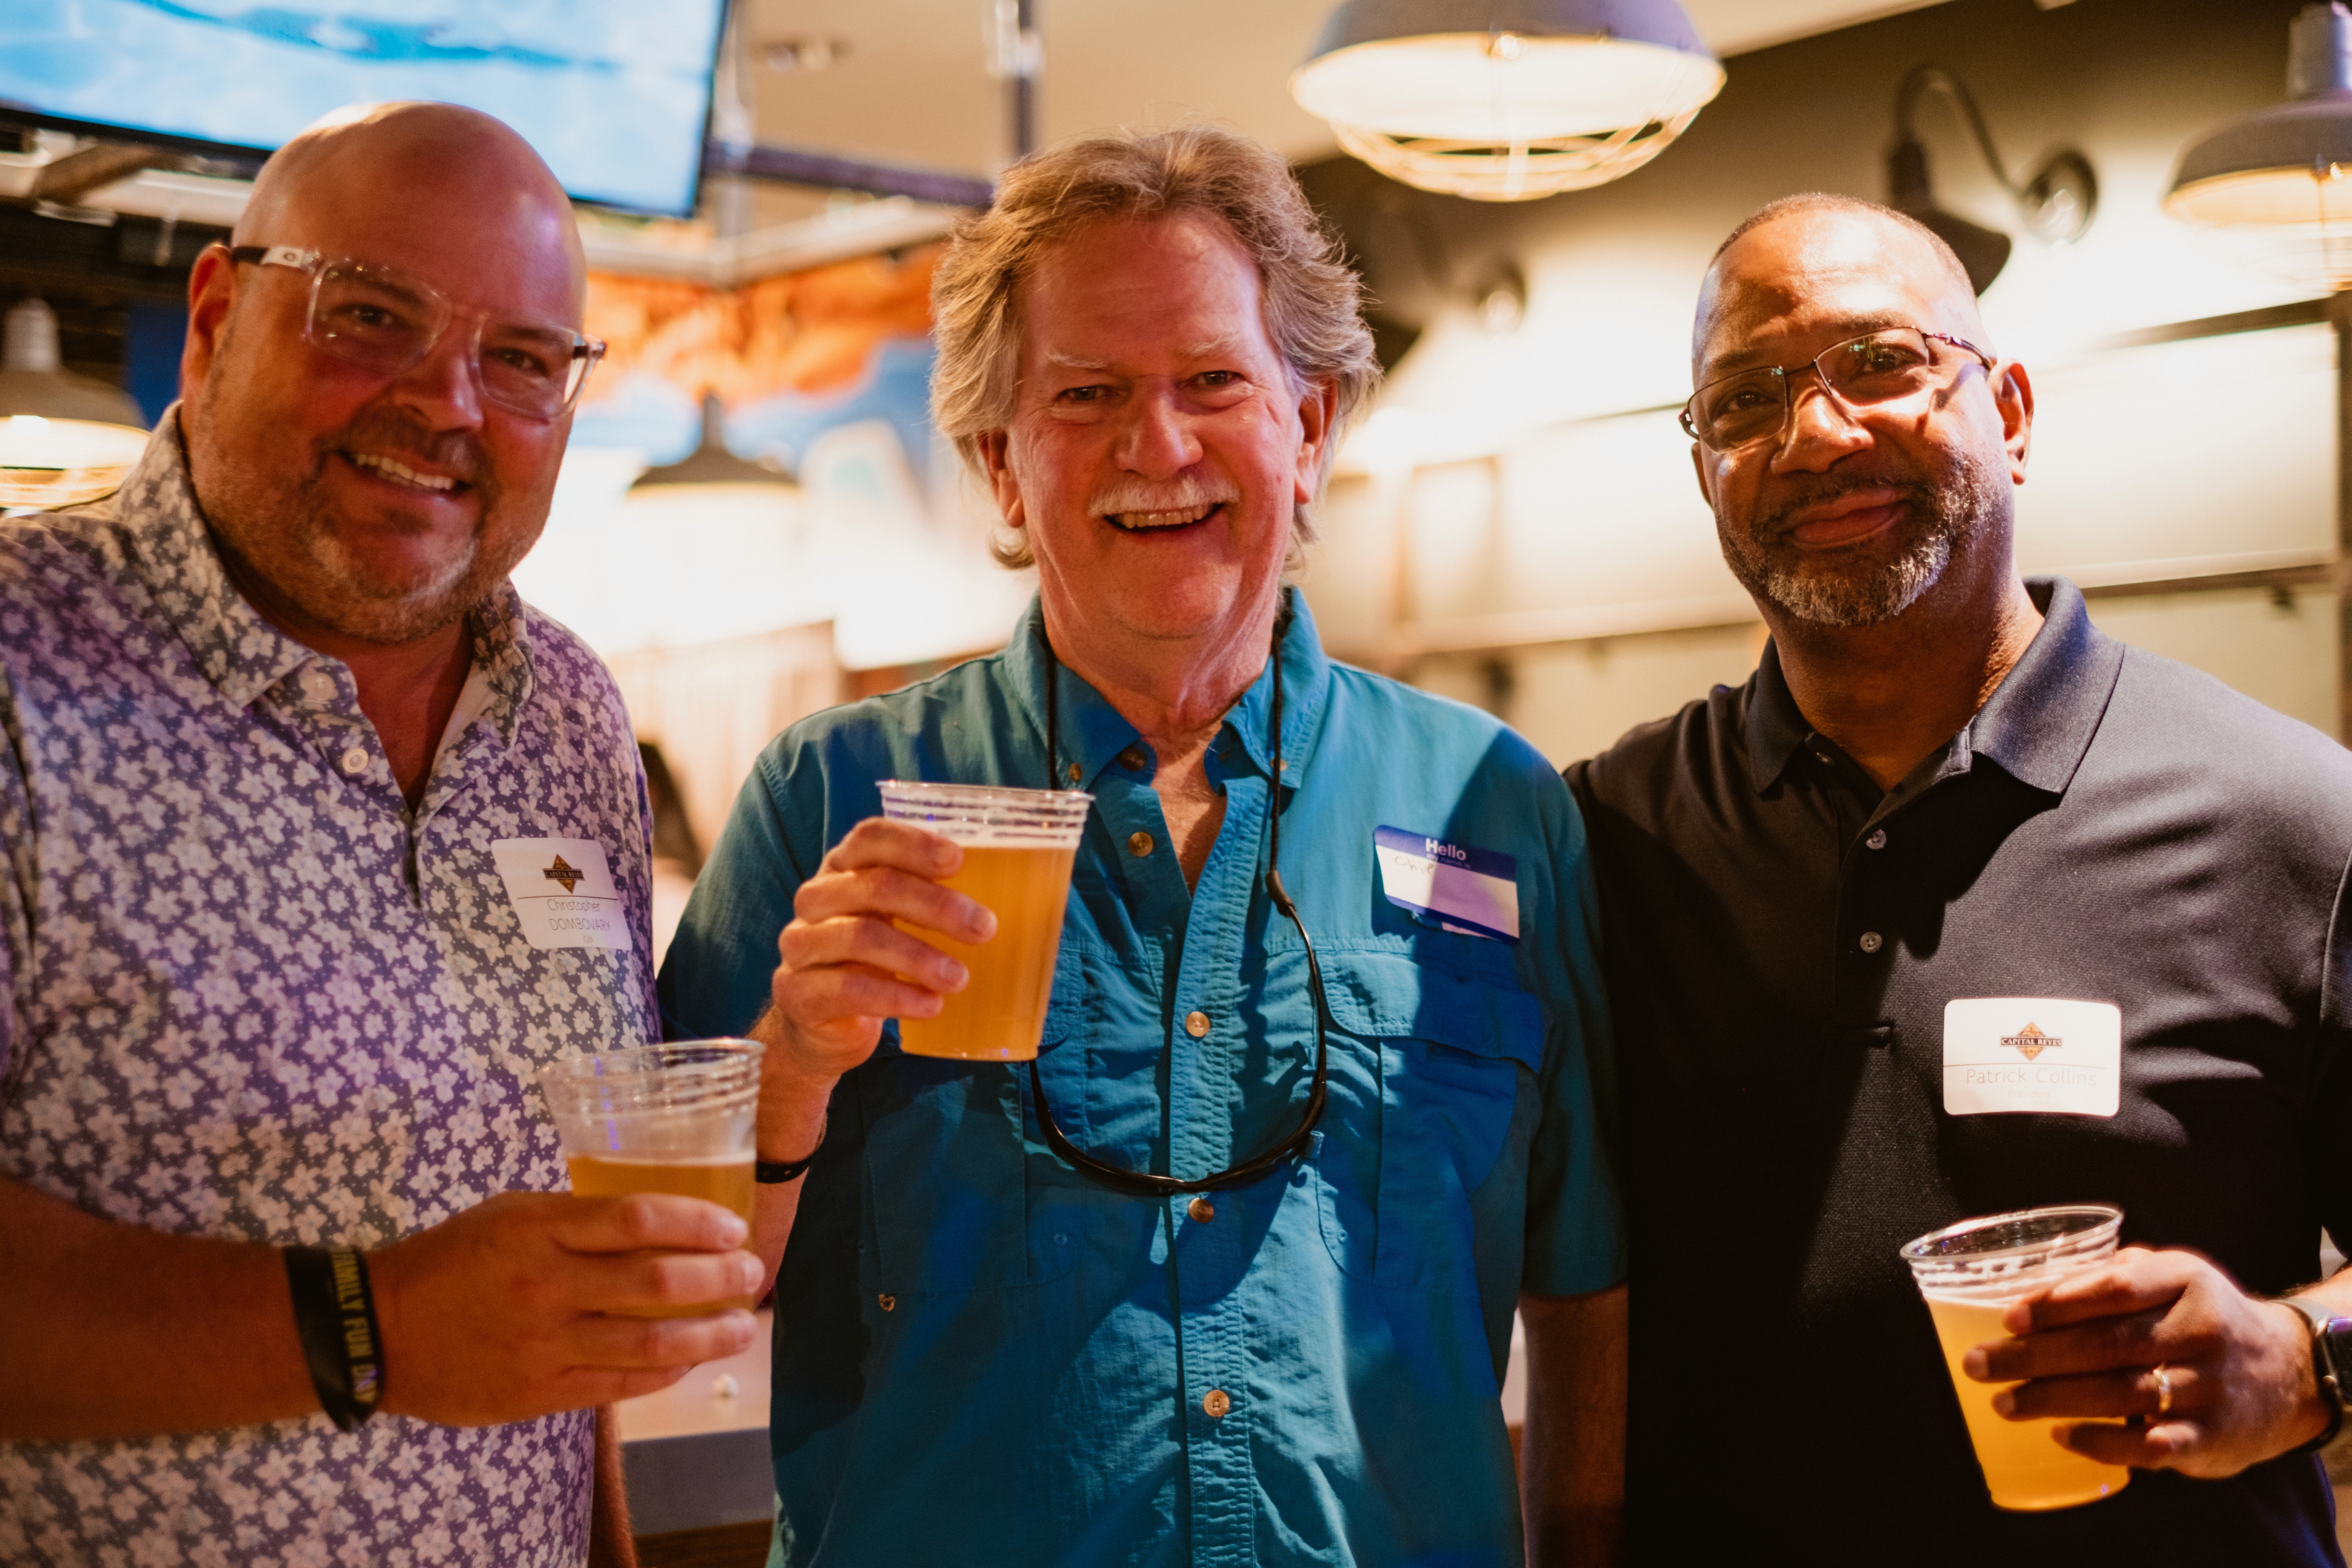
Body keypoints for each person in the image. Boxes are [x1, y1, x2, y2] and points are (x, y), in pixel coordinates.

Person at [658, 125, 1628, 1567]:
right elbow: (672, 1294)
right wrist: (792, 1064)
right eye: (1088, 393)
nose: (1158, 447)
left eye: (1214, 383)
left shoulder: (1496, 805)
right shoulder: (833, 796)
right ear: (1001, 463)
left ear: (1311, 430)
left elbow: (1587, 1282)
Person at [0, 103, 764, 1566]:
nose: (446, 403)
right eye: (370, 315)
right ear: (215, 320)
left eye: (522, 360)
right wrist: (370, 1323)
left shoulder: (568, 714)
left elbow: (581, 1313)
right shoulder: (23, 666)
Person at [1565, 191, 2352, 1564]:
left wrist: (2303, 1361)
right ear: (1705, 475)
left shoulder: (2291, 821)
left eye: (1881, 362)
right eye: (1745, 400)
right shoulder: (1604, 837)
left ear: (2015, 414)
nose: (1817, 435)